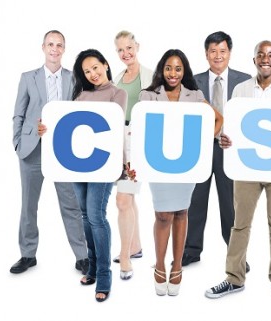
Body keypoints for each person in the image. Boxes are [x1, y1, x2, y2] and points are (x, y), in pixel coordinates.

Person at [204, 40, 271, 302]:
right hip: (246, 168)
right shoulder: (240, 89)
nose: (266, 59)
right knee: (240, 224)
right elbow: (231, 128)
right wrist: (224, 140)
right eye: (261, 55)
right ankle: (234, 278)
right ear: (254, 61)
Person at [39, 49, 127, 302]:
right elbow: (67, 126)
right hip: (77, 164)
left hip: (103, 163)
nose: (92, 74)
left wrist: (123, 165)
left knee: (97, 216)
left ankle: (104, 274)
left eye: (95, 68)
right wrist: (47, 126)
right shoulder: (80, 94)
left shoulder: (117, 94)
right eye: (87, 71)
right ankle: (91, 265)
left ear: (106, 65)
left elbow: (113, 128)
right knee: (86, 215)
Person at [140, 49, 223, 296]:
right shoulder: (149, 95)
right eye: (168, 68)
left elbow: (218, 120)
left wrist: (200, 144)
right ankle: (159, 264)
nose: (173, 73)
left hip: (186, 166)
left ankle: (177, 265)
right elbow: (140, 128)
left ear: (184, 71)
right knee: (163, 214)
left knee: (181, 212)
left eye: (178, 68)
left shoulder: (195, 96)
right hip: (159, 165)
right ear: (161, 70)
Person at [11, 30, 88, 275]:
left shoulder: (73, 79)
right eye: (51, 44)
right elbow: (19, 114)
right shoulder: (28, 77)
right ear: (43, 47)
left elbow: (78, 114)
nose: (55, 49)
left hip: (62, 151)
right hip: (32, 150)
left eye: (60, 45)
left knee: (71, 205)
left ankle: (82, 256)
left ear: (64, 49)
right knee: (28, 205)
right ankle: (27, 254)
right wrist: (18, 143)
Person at [184, 31, 252, 267]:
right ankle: (191, 250)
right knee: (195, 201)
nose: (218, 56)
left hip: (230, 150)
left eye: (222, 51)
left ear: (229, 53)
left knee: (231, 205)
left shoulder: (245, 80)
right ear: (206, 54)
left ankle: (236, 254)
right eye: (213, 51)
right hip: (200, 149)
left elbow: (250, 116)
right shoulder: (193, 80)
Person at [111, 30, 152, 280]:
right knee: (131, 198)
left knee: (123, 200)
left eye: (129, 48)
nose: (125, 53)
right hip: (118, 140)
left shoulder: (149, 76)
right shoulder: (117, 78)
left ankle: (125, 256)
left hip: (138, 141)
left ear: (137, 46)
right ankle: (135, 246)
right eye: (120, 50)